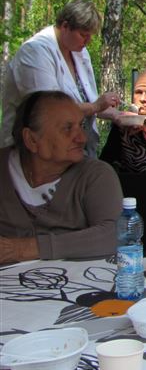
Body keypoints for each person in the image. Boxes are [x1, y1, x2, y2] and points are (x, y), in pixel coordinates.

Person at [0, 91, 123, 263]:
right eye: (67, 128)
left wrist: (25, 249)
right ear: (32, 140)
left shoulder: (95, 175)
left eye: (81, 125)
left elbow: (115, 234)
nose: (82, 138)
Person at [0, 0, 122, 157]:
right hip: (33, 155)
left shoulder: (78, 52)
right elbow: (50, 111)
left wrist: (117, 115)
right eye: (83, 35)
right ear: (65, 26)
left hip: (70, 150)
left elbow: (87, 102)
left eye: (90, 35)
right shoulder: (35, 52)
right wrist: (96, 106)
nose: (88, 41)